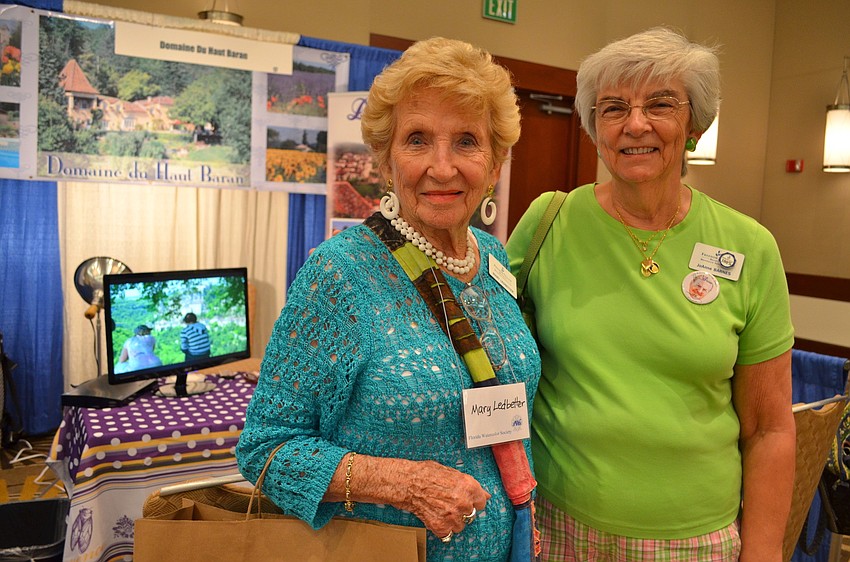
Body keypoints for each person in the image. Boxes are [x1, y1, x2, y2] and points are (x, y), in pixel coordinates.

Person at [236, 37, 541, 561]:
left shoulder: (492, 257)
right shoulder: (340, 274)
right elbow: (266, 451)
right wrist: (404, 482)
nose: (442, 168)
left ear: (495, 164)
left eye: (466, 141)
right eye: (418, 139)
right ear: (384, 159)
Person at [505, 27, 795, 561]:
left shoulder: (750, 247)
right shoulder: (549, 222)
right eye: (614, 107)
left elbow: (769, 428)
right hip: (559, 526)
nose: (636, 123)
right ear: (596, 129)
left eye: (660, 104)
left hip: (696, 541)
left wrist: (763, 553)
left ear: (694, 126)